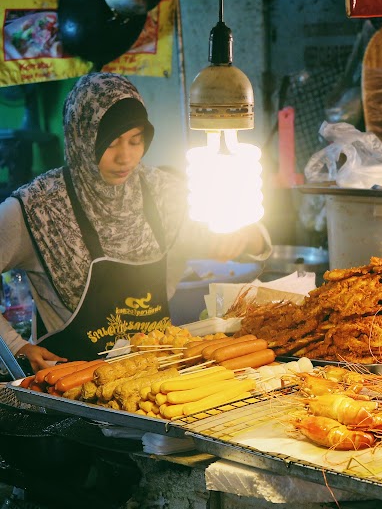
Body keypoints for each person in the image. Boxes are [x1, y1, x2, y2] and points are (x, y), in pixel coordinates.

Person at [0, 73, 272, 372]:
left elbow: (234, 234)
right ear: (81, 138)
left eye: (135, 140)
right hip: (71, 392)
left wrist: (245, 236)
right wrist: (16, 345)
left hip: (157, 381)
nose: (125, 157)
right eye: (111, 142)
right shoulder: (39, 208)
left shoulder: (164, 193)